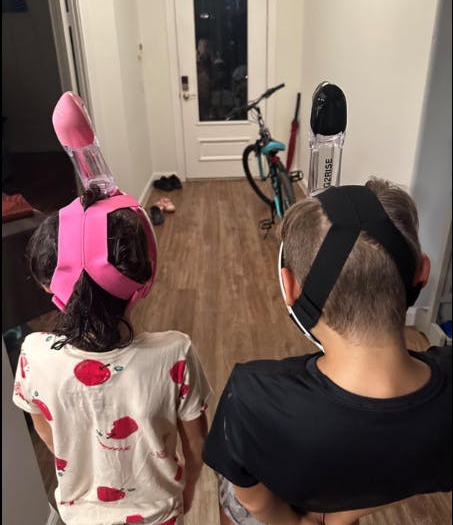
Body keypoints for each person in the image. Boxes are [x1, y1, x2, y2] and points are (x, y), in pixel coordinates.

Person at [203, 178, 452, 525]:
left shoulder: (251, 394)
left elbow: (252, 498)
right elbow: (420, 473)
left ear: (289, 288)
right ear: (422, 273)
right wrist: (340, 516)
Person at [12, 186, 212, 525]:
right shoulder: (175, 353)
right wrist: (189, 485)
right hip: (160, 515)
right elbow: (197, 445)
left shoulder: (33, 355)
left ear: (49, 285)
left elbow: (45, 428)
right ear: (144, 278)